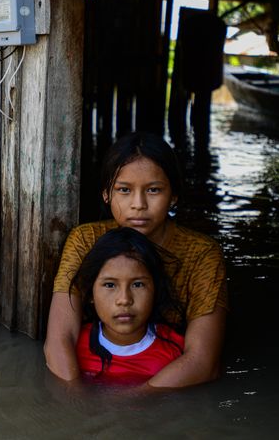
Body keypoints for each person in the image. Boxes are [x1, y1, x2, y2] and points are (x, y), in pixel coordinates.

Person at [45, 132, 228, 387]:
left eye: (153, 190)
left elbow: (202, 361)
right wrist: (76, 399)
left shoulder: (201, 254)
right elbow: (59, 338)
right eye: (124, 190)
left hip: (163, 372)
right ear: (106, 194)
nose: (138, 204)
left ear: (173, 195)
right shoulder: (86, 240)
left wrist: (135, 403)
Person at [71, 227, 185, 381]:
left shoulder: (176, 352)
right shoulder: (72, 349)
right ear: (90, 293)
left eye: (137, 285)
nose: (124, 299)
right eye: (110, 285)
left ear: (156, 290)